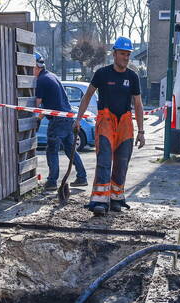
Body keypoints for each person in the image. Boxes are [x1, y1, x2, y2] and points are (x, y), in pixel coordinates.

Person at [73, 37, 146, 216]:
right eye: (122, 54)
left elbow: (138, 104)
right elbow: (88, 95)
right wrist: (78, 119)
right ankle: (99, 200)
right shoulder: (102, 74)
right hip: (105, 122)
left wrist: (141, 131)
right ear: (114, 54)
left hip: (125, 124)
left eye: (128, 54)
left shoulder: (132, 77)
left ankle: (115, 199)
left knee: (122, 163)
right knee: (104, 161)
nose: (126, 58)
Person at [34, 52, 87, 190]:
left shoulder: (41, 80)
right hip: (68, 116)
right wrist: (40, 119)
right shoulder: (52, 76)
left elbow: (38, 104)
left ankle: (52, 182)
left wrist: (35, 119)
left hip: (58, 120)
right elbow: (50, 104)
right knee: (70, 149)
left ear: (36, 67)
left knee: (52, 149)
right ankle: (82, 177)